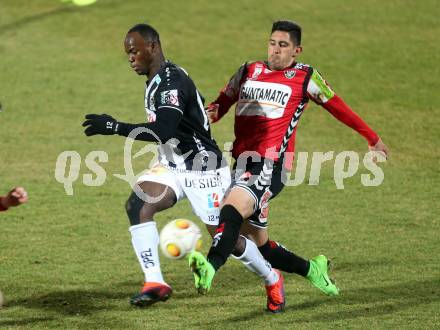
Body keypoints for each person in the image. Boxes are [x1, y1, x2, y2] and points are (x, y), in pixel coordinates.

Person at [82, 23, 284, 309]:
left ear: (152, 47)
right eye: (127, 53)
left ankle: (271, 277)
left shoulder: (171, 82)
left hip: (204, 170)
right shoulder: (159, 78)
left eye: (134, 51)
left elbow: (163, 130)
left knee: (228, 240)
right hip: (173, 165)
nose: (130, 58)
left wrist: (114, 126)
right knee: (138, 205)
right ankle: (155, 282)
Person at [189, 20, 389, 306]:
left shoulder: (305, 77)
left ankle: (209, 268)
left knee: (229, 212)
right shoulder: (248, 71)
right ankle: (312, 269)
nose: (276, 50)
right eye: (272, 43)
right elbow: (223, 101)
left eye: (283, 45)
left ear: (296, 50)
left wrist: (372, 137)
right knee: (261, 245)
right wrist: (208, 114)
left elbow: (338, 106)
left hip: (271, 167)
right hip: (242, 163)